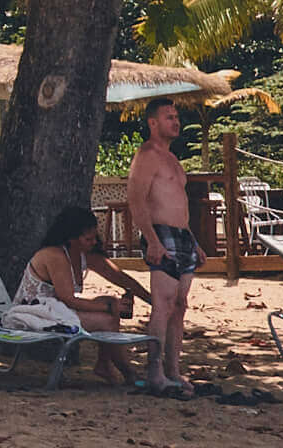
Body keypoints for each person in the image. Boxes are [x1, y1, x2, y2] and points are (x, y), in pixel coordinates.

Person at [20, 204, 147, 385]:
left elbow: (121, 279)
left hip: (58, 309)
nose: (94, 242)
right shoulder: (54, 256)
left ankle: (104, 364)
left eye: (95, 237)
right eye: (88, 239)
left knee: (109, 301)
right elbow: (68, 299)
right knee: (107, 319)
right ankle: (129, 373)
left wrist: (152, 300)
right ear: (72, 238)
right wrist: (110, 307)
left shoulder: (82, 254)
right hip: (38, 312)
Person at [128, 96, 201, 397]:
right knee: (163, 305)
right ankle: (154, 372)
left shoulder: (172, 158)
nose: (175, 121)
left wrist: (194, 241)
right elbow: (137, 200)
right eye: (168, 117)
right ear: (153, 123)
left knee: (180, 306)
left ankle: (174, 371)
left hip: (182, 236)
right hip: (161, 233)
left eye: (176, 117)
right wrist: (152, 240)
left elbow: (179, 203)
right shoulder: (147, 155)